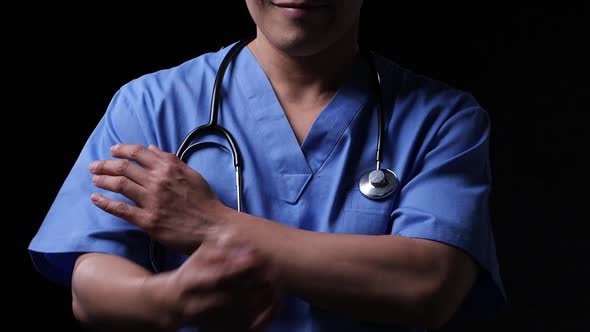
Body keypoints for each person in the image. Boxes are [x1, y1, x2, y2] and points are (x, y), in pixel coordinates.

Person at [28, 1, 507, 331]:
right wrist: (169, 299)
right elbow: (89, 286)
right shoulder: (150, 104)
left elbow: (429, 285)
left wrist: (213, 225)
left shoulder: (443, 119)